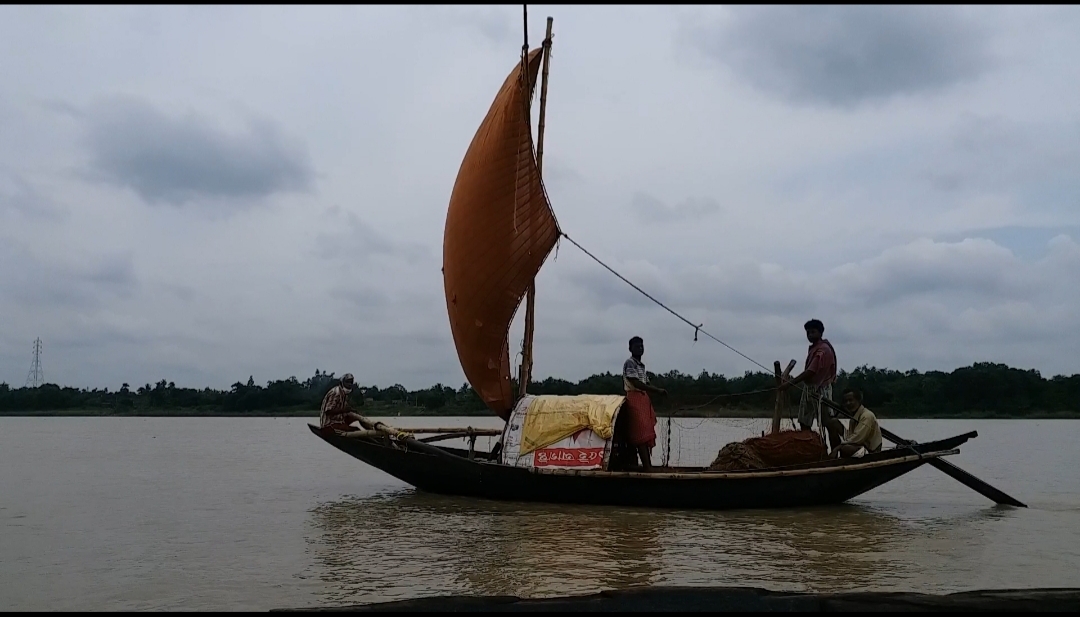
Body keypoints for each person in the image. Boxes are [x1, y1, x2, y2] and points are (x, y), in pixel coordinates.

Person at [780, 319, 839, 446]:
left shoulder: (822, 350)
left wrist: (789, 383)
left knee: (827, 422)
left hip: (821, 389)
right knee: (804, 421)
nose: (810, 335)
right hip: (809, 388)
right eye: (808, 333)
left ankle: (835, 452)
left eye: (813, 332)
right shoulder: (815, 348)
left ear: (820, 332)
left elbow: (811, 371)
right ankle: (810, 449)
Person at [620, 336, 667, 472]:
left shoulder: (641, 366)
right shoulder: (630, 363)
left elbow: (645, 383)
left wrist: (658, 392)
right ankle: (647, 467)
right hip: (634, 398)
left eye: (641, 346)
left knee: (646, 433)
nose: (640, 349)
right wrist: (656, 390)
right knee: (641, 434)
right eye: (637, 346)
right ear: (630, 349)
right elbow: (636, 383)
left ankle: (648, 466)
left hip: (643, 399)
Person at [833, 388, 882, 458]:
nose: (848, 403)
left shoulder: (866, 416)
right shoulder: (854, 418)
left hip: (871, 451)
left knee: (845, 448)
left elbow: (857, 438)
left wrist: (838, 448)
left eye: (850, 400)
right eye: (846, 401)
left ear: (858, 400)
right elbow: (851, 437)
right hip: (859, 447)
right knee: (834, 423)